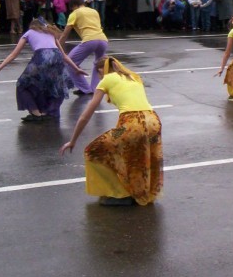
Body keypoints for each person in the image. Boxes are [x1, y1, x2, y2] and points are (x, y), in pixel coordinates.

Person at [59, 56, 163, 206]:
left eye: (99, 73)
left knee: (94, 150)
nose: (99, 76)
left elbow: (85, 116)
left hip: (131, 124)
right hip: (153, 121)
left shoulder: (107, 79)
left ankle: (120, 194)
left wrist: (73, 140)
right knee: (138, 156)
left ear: (102, 69)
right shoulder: (133, 76)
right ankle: (140, 192)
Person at [0, 18, 84, 121]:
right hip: (57, 57)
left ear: (32, 26)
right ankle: (48, 112)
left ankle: (36, 113)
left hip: (42, 57)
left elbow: (14, 55)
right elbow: (64, 55)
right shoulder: (50, 33)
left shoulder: (29, 33)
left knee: (23, 84)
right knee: (54, 85)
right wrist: (76, 68)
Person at [59, 0, 109, 95]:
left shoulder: (75, 13)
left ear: (73, 5)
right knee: (99, 65)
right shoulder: (94, 11)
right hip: (103, 40)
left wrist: (58, 46)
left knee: (70, 62)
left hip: (90, 40)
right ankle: (95, 89)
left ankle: (85, 89)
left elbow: (65, 34)